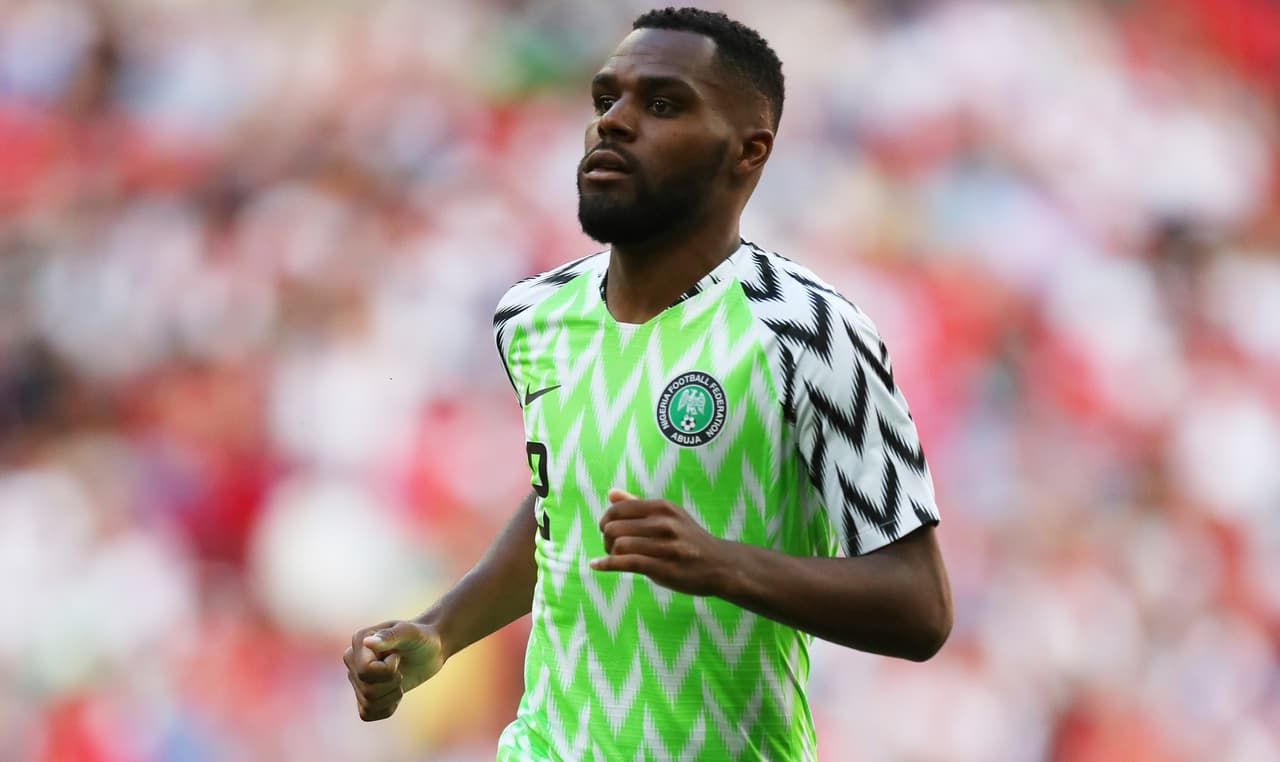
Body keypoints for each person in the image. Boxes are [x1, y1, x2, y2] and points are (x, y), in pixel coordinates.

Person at [344, 7, 952, 760]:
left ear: (748, 151)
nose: (614, 122)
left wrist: (723, 563)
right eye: (606, 99)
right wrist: (441, 631)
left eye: (663, 105)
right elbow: (564, 503)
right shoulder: (533, 317)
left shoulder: (808, 332)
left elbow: (919, 606)